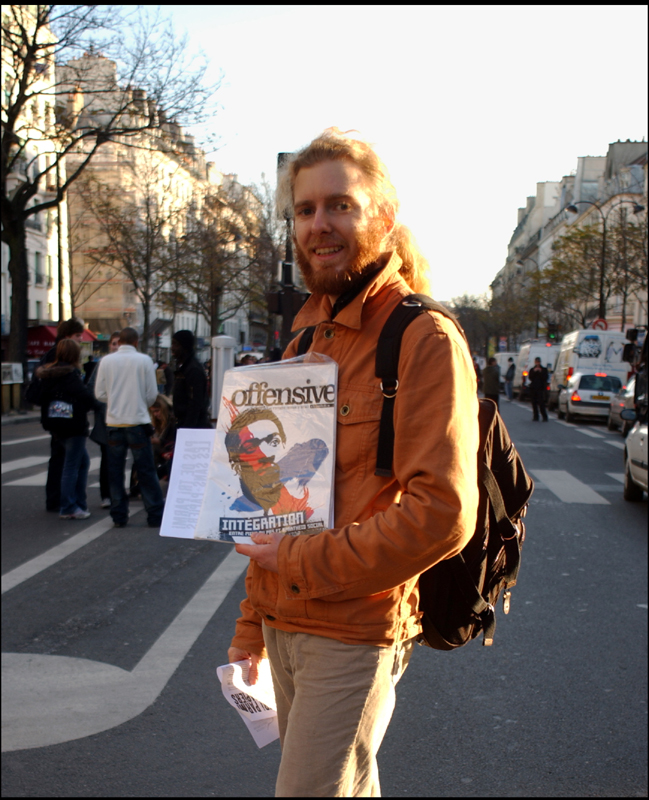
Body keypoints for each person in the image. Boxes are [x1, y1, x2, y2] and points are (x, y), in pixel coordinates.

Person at [227, 129, 479, 797]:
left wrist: (301, 564)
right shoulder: (306, 333)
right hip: (284, 618)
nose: (319, 225)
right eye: (305, 210)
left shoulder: (421, 334)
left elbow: (443, 515)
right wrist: (252, 623)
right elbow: (279, 498)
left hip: (352, 626)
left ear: (382, 218)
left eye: (339, 205)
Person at [94, 327, 165, 528]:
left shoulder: (106, 361)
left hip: (114, 422)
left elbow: (99, 393)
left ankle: (119, 515)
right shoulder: (144, 361)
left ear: (120, 341)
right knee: (146, 470)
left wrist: (115, 399)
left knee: (115, 471)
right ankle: (154, 514)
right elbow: (152, 394)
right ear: (136, 342)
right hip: (138, 421)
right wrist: (139, 401)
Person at [224, 405, 328, 518]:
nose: (296, 446)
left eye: (305, 448)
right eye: (302, 445)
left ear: (308, 469)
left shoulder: (300, 508)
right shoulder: (236, 498)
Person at [27, 318, 86, 512]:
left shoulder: (50, 356)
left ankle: (56, 499)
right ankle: (63, 501)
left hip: (53, 416)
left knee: (61, 458)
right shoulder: (60, 357)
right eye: (78, 336)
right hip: (64, 416)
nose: (80, 339)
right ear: (68, 336)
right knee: (68, 461)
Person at [36, 339, 98, 520]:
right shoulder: (70, 375)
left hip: (55, 425)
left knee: (81, 462)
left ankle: (78, 503)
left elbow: (41, 398)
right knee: (72, 465)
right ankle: (69, 506)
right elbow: (85, 396)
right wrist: (97, 406)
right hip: (73, 425)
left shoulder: (48, 374)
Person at [87, 331, 121, 509]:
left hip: (122, 417)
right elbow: (92, 389)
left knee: (119, 458)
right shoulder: (103, 364)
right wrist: (103, 406)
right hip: (106, 418)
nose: (116, 347)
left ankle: (118, 492)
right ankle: (106, 495)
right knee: (107, 459)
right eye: (113, 343)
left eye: (118, 343)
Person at [170, 330, 211, 429]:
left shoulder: (193, 370)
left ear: (184, 347)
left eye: (175, 344)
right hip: (184, 423)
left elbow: (195, 403)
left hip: (191, 426)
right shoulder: (184, 367)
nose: (172, 348)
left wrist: (187, 428)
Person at [149, 394, 177, 481]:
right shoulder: (157, 424)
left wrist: (159, 442)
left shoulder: (172, 422)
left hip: (169, 456)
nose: (156, 414)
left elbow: (172, 441)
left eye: (157, 411)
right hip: (161, 455)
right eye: (153, 412)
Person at [528, 356, 549, 421]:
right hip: (533, 388)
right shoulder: (532, 369)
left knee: (541, 403)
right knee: (534, 403)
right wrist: (534, 371)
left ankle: (544, 417)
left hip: (540, 388)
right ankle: (535, 416)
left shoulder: (544, 369)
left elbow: (545, 377)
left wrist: (541, 371)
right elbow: (530, 377)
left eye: (538, 362)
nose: (537, 363)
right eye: (536, 362)